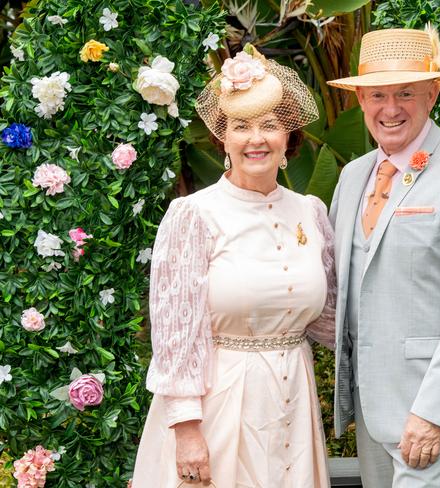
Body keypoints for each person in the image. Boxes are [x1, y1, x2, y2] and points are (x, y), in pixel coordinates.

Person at [132, 45, 335, 488]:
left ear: (289, 138)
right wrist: (187, 432)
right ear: (224, 139)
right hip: (218, 406)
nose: (255, 138)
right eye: (241, 127)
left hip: (294, 402)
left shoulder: (311, 212)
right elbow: (174, 335)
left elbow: (333, 319)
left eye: (269, 125)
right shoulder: (193, 215)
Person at [326, 26, 440, 487]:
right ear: (361, 100)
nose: (390, 109)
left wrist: (433, 413)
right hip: (371, 409)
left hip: (432, 410)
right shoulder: (352, 176)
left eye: (406, 93)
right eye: (378, 95)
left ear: (432, 96)